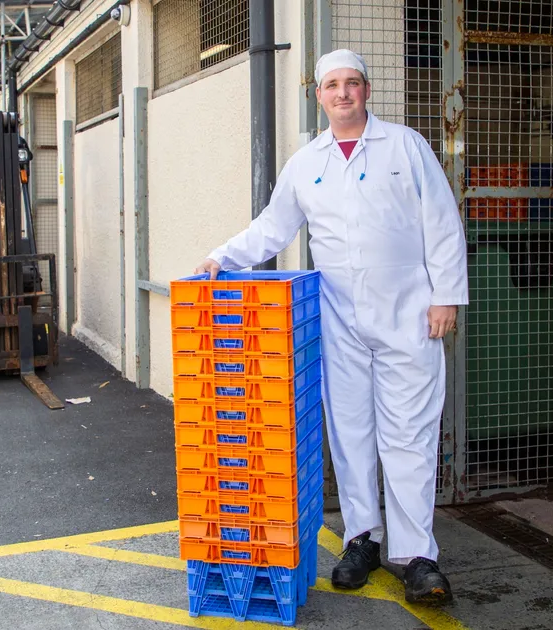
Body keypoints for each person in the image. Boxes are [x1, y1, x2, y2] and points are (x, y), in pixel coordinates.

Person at [194, 49, 468, 605]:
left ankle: (418, 557)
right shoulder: (307, 162)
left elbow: (441, 221)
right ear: (317, 96)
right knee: (350, 435)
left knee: (409, 436)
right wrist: (221, 257)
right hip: (341, 322)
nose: (342, 94)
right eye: (331, 86)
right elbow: (272, 227)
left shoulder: (406, 147)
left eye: (352, 84)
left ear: (366, 90)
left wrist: (446, 297)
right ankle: (362, 540)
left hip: (409, 317)